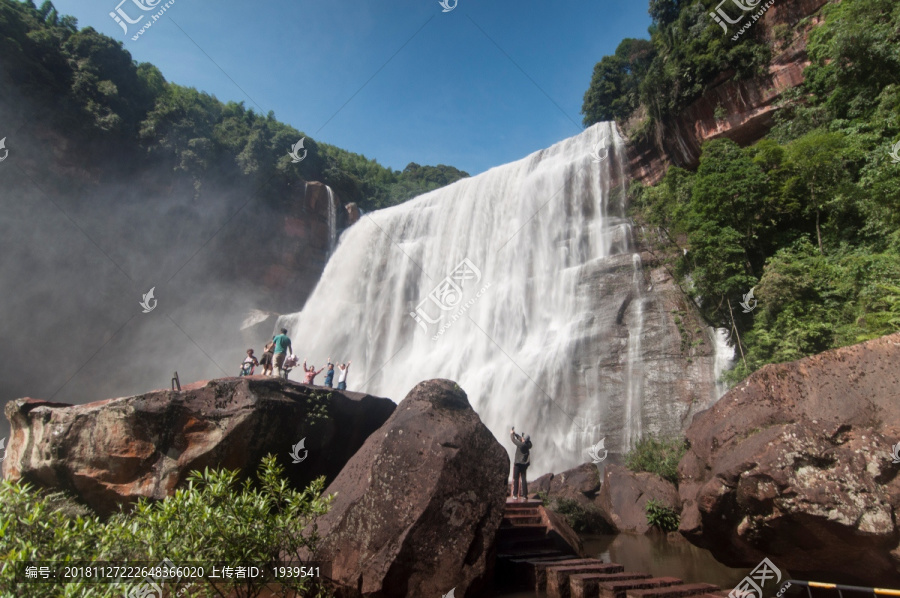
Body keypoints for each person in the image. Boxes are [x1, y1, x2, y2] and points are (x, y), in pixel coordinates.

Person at [510, 428, 532, 501]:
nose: (521, 438)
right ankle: (525, 495)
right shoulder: (528, 444)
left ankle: (515, 495)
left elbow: (513, 440)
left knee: (516, 479)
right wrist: (515, 434)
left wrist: (511, 434)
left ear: (524, 440)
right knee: (523, 479)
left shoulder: (520, 445)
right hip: (524, 464)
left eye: (523, 438)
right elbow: (520, 438)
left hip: (518, 464)